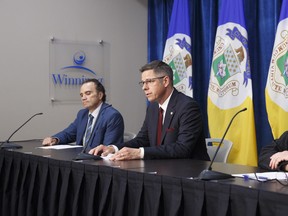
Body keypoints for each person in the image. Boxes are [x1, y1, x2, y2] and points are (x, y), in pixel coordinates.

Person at [89, 60, 210, 161]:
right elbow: (143, 139)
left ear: (166, 81)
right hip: (163, 169)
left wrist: (139, 153)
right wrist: (113, 148)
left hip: (191, 173)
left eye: (150, 82)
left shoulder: (187, 106)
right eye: (142, 82)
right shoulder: (153, 107)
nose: (144, 87)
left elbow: (183, 148)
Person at [42, 78, 124, 152]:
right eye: (81, 95)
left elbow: (108, 149)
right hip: (81, 160)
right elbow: (69, 133)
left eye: (88, 93)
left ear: (100, 95)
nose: (83, 98)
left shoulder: (112, 116)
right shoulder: (82, 114)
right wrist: (55, 139)